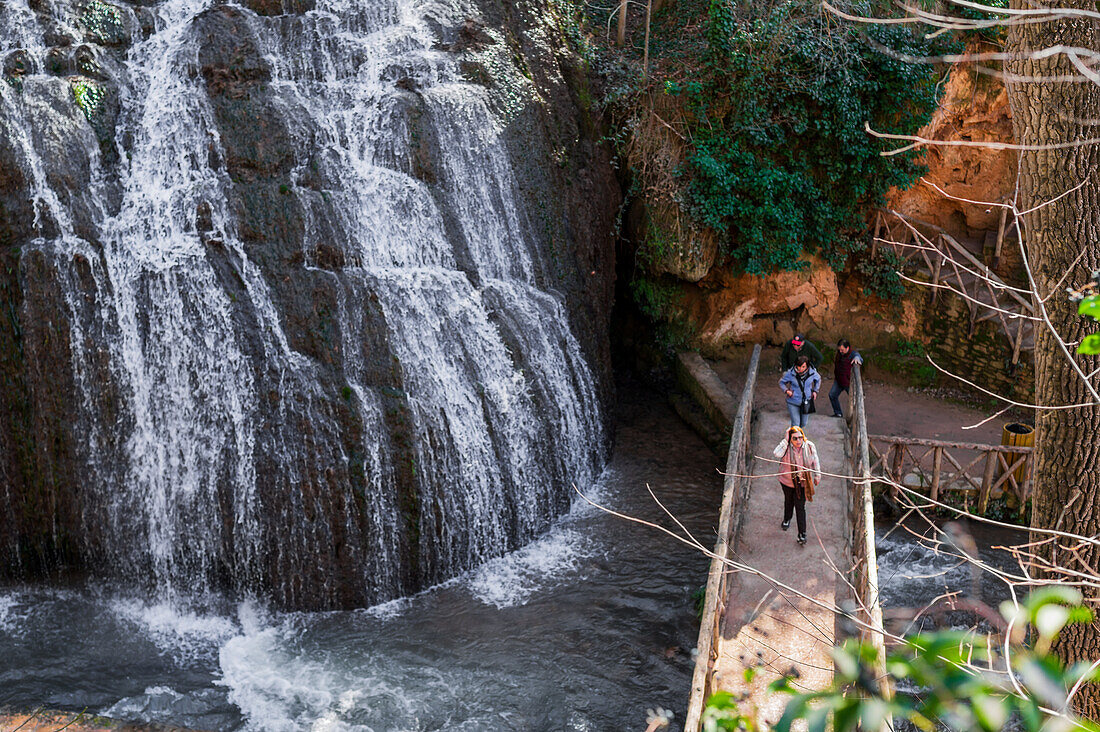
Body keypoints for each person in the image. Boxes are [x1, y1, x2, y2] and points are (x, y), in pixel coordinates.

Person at [772, 425, 821, 545]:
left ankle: (802, 534)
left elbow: (815, 460)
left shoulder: (809, 446)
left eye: (800, 437)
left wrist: (817, 475)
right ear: (790, 439)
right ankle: (787, 519)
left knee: (800, 507)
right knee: (789, 501)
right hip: (787, 481)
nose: (798, 441)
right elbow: (776, 454)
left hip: (803, 483)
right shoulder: (786, 447)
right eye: (795, 438)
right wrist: (785, 440)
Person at [779, 355, 821, 429]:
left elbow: (818, 379)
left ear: (807, 366)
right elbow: (781, 382)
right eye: (798, 366)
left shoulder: (812, 373)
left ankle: (798, 437)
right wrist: (787, 391)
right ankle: (793, 438)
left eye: (803, 367)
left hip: (806, 401)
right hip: (793, 401)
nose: (800, 369)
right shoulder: (790, 373)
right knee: (796, 423)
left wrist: (815, 391)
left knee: (803, 423)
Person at [828, 338, 863, 418]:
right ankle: (838, 413)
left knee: (854, 401)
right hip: (839, 381)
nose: (840, 351)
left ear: (847, 348)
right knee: (832, 395)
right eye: (839, 350)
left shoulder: (852, 354)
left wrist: (857, 358)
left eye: (842, 350)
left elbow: (858, 357)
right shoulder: (839, 354)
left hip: (848, 382)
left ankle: (856, 418)